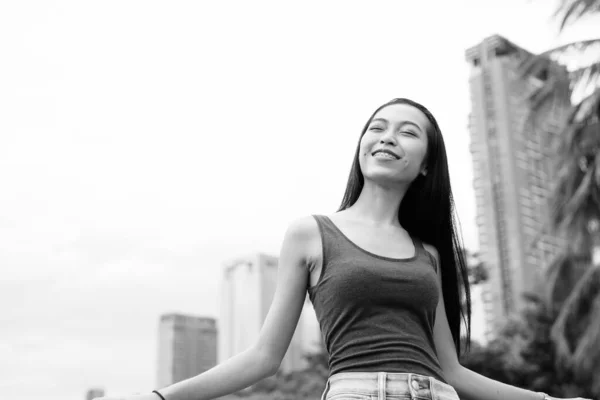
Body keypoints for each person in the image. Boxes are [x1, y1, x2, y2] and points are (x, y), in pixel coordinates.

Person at [95, 98, 592, 400]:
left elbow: (452, 370)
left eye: (407, 131)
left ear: (425, 165)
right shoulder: (311, 233)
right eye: (377, 127)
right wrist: (162, 396)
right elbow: (264, 357)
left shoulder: (430, 254)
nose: (387, 137)